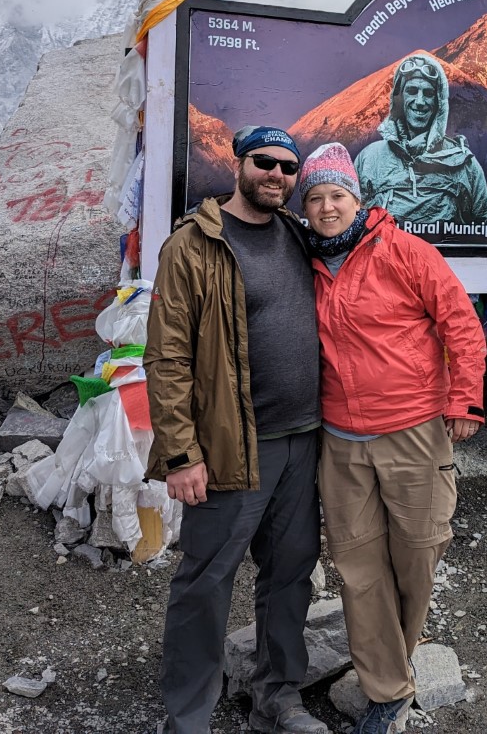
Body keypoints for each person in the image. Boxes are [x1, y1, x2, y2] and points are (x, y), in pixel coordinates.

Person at [144, 125, 328, 734]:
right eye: (264, 163)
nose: (276, 175)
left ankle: (277, 695)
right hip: (231, 446)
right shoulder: (193, 246)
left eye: (287, 167)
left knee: (291, 572)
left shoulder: (298, 236)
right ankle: (189, 715)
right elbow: (167, 357)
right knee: (206, 579)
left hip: (304, 439)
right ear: (239, 163)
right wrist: (179, 453)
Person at [298, 142, 486, 734]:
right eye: (316, 198)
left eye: (337, 195)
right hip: (341, 439)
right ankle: (386, 688)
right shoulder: (304, 262)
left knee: (418, 553)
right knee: (357, 565)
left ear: (358, 199)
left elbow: (462, 324)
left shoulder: (406, 252)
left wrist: (464, 400)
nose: (327, 208)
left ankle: (399, 651)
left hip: (413, 431)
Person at [354, 51, 487, 226]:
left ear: (439, 102)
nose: (420, 101)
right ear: (399, 97)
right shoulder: (369, 159)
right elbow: (351, 225)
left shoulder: (465, 165)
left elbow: (486, 236)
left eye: (428, 93)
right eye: (412, 91)